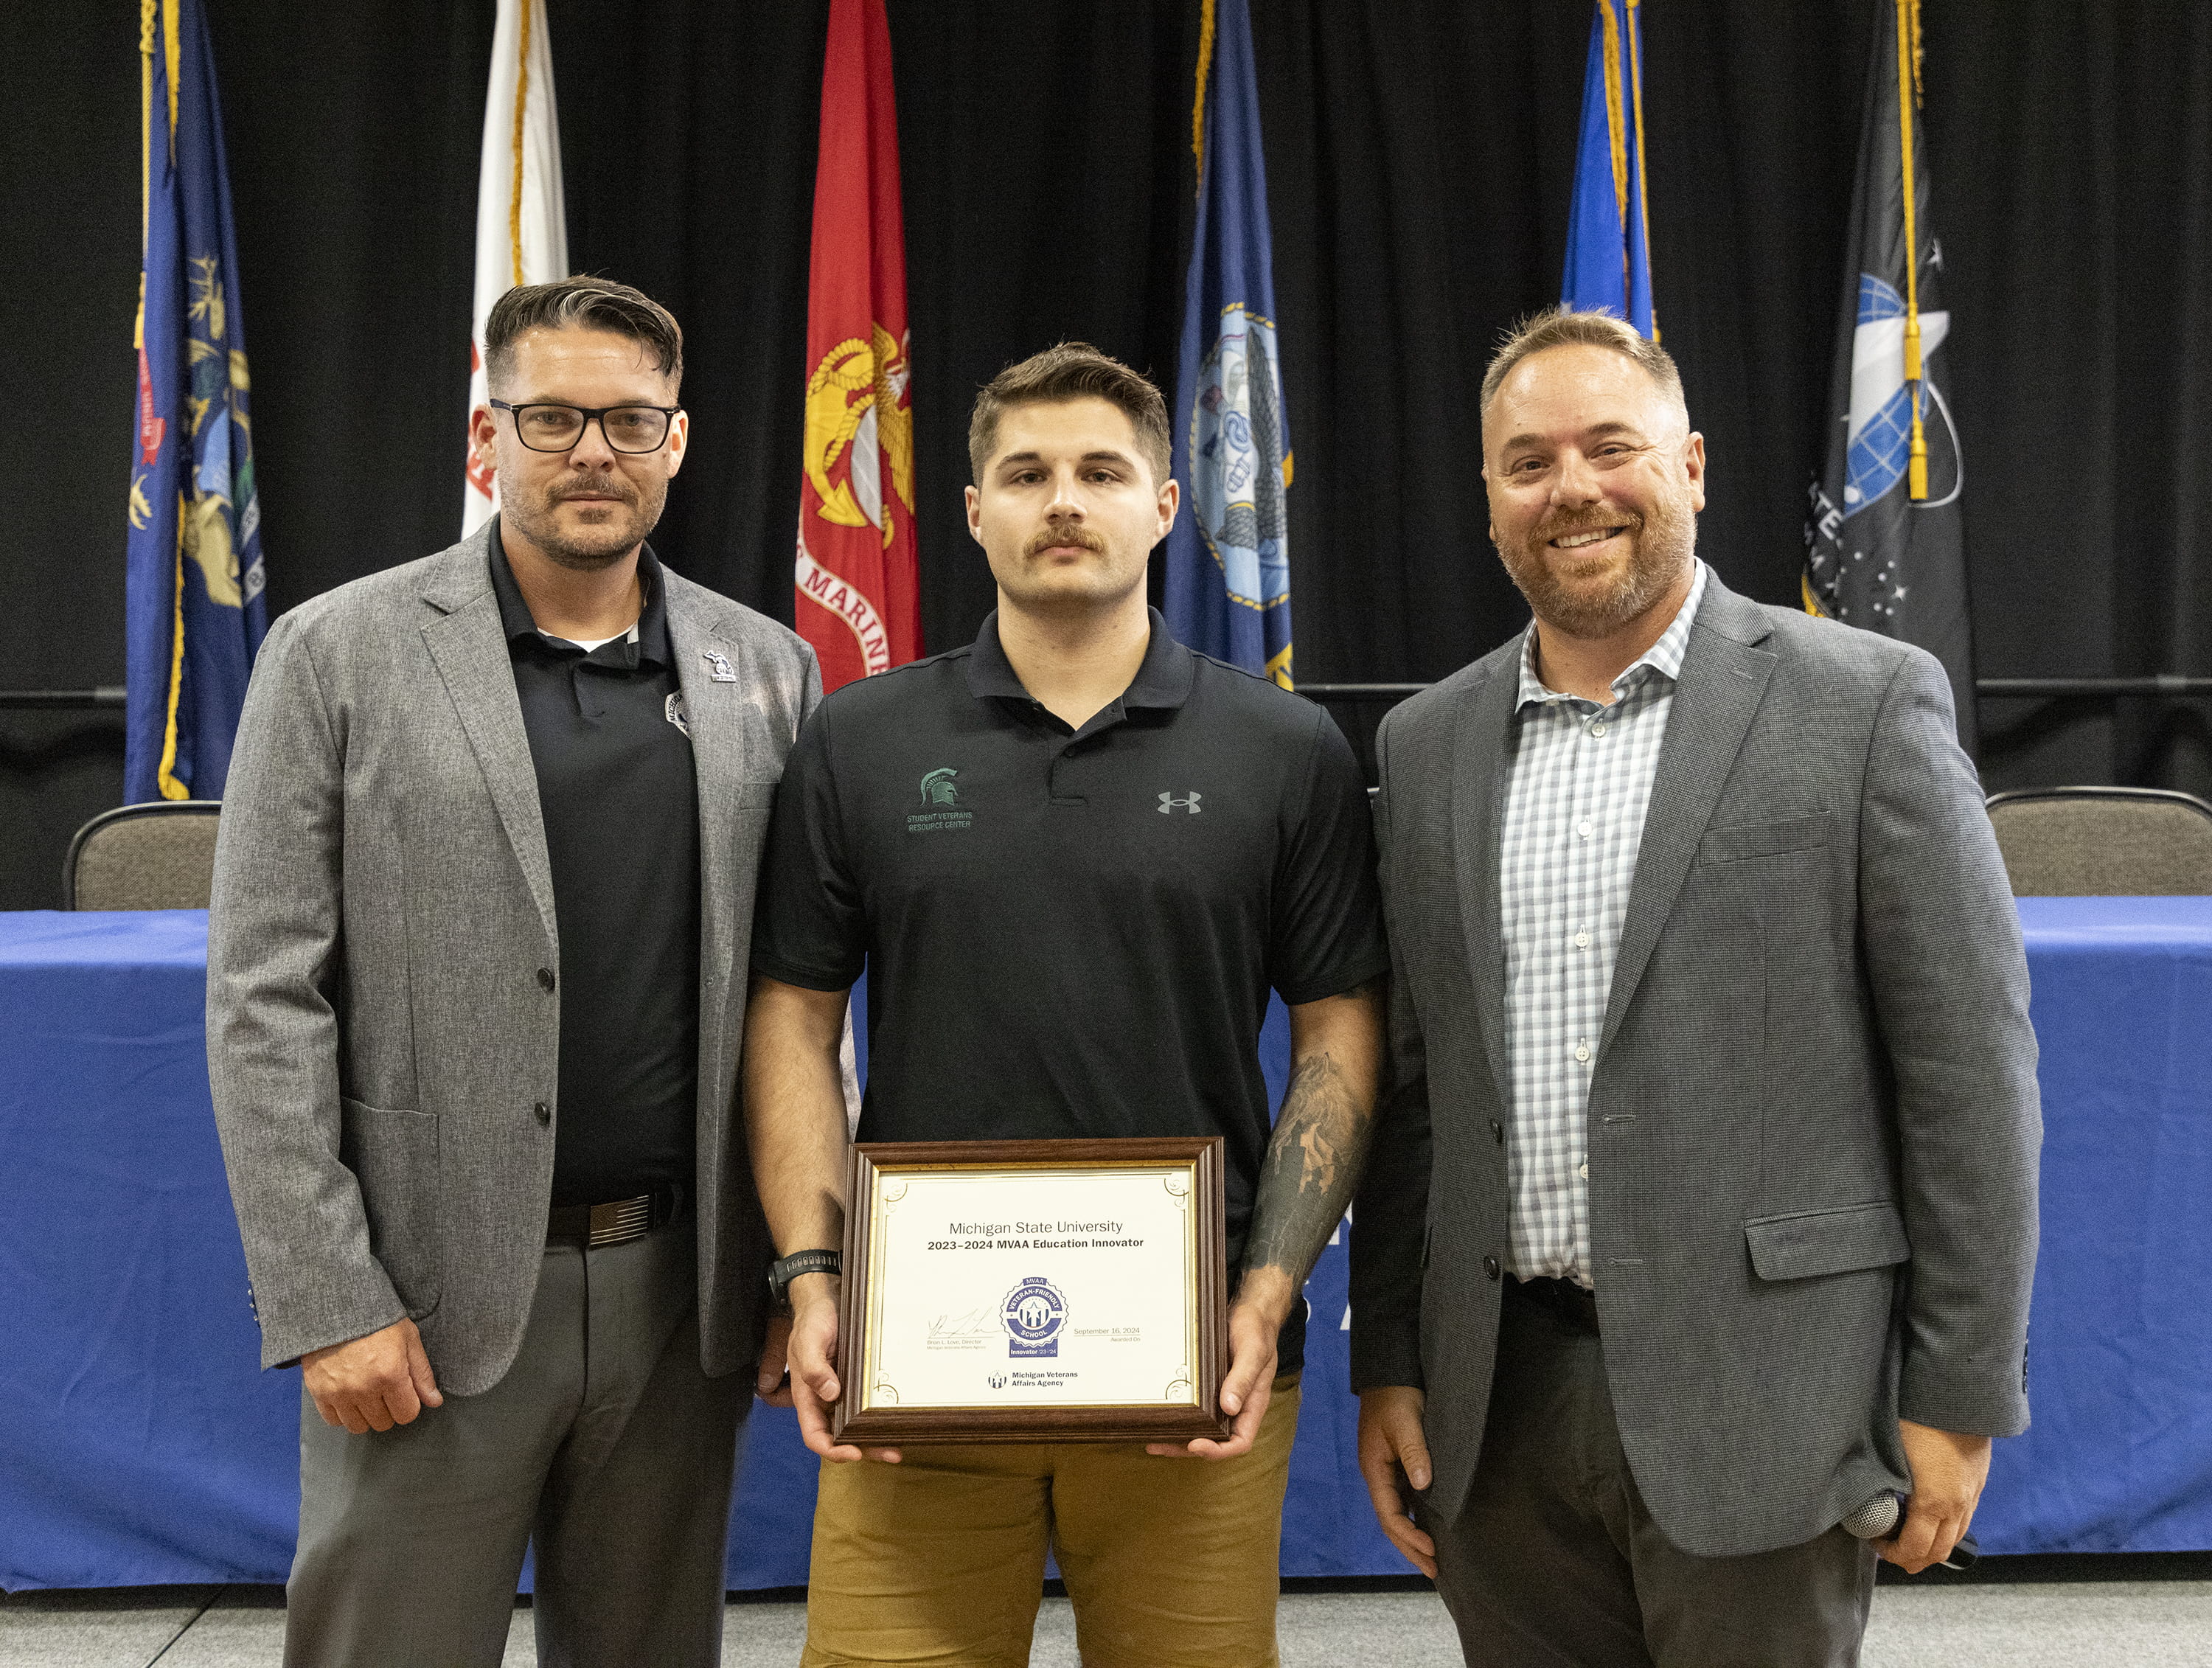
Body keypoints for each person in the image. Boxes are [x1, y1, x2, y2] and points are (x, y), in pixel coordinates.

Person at [1349, 307, 2039, 1667]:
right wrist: (1393, 1359)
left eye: (1613, 447)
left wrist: (1960, 1395)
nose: (1574, 489)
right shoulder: (1423, 748)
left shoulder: (1865, 702)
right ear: (1490, 496)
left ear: (1694, 465)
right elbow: (1416, 1092)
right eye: (1529, 460)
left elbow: (1969, 1079)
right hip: (1502, 1409)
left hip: (1772, 1394)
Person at [743, 343, 1389, 1668]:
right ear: (974, 511)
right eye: (1025, 474)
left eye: (1102, 471)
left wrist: (1266, 1292)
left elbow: (1339, 1036)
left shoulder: (1285, 752)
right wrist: (813, 1277)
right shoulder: (860, 741)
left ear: (1165, 503)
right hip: (912, 1356)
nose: (1063, 502)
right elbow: (794, 1025)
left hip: (1196, 1361)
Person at [206, 276, 817, 1668]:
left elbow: (801, 1009)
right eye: (551, 419)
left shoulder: (767, 672)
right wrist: (328, 1293)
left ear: (678, 441)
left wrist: (801, 1265)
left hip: (683, 1298)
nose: (591, 451)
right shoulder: (335, 653)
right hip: (423, 1297)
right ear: (486, 441)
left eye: (626, 421)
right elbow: (260, 999)